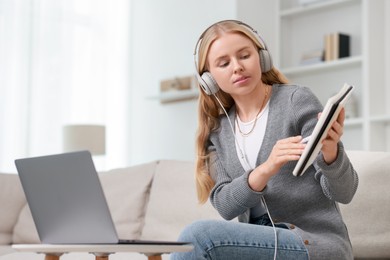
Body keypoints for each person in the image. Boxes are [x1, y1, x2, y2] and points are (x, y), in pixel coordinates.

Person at [170, 20, 358, 260]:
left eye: (245, 55)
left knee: (196, 236)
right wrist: (267, 168)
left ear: (262, 58)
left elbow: (345, 192)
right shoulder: (217, 131)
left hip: (312, 242)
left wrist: (331, 154)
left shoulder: (295, 101)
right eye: (224, 63)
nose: (237, 67)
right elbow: (226, 207)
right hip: (256, 244)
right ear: (209, 79)